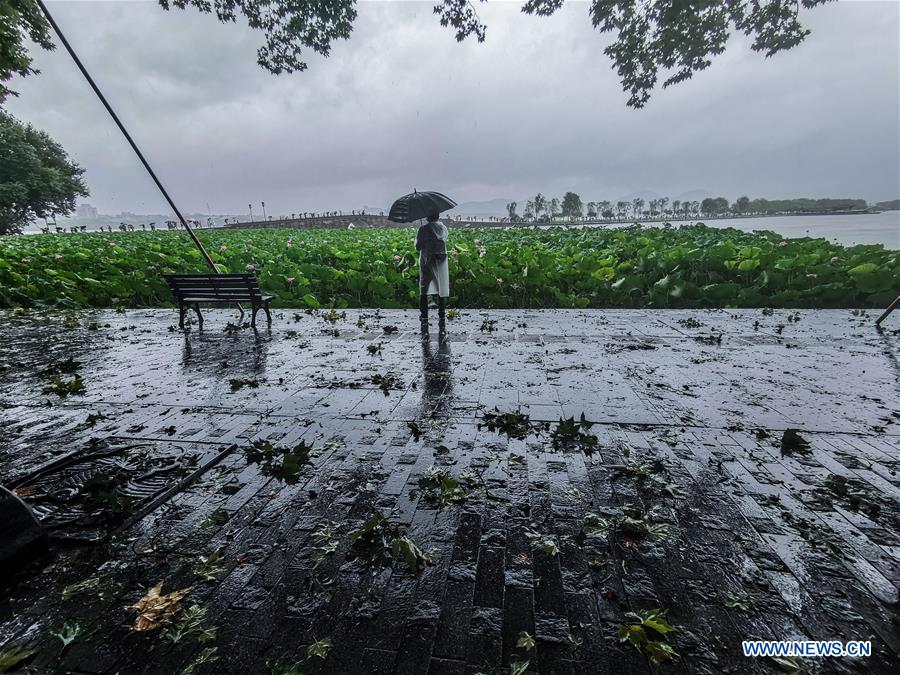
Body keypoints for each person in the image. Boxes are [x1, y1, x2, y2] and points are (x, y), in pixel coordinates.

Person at [415, 209, 449, 328]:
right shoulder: (443, 228)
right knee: (441, 286)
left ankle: (424, 314)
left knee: (424, 288)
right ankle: (442, 313)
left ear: (427, 217)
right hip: (441, 259)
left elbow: (418, 247)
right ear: (438, 216)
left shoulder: (423, 229)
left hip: (427, 260)